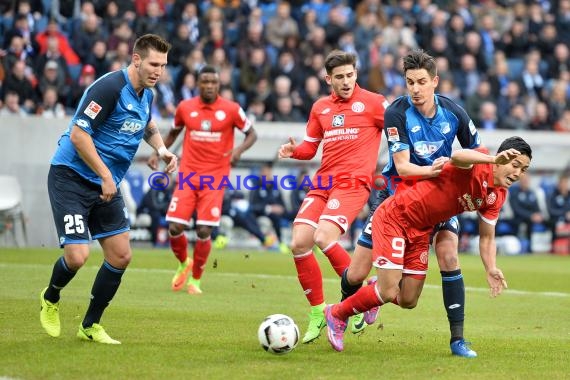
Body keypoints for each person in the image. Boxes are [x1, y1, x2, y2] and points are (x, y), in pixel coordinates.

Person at [324, 137, 533, 352]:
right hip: (396, 217)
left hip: (422, 230)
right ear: (500, 160)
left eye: (523, 169)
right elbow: (457, 156)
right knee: (388, 291)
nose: (518, 173)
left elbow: (487, 237)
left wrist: (491, 268)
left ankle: (373, 291)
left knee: (408, 300)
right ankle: (336, 313)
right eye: (514, 165)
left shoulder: (497, 196)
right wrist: (491, 158)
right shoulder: (480, 161)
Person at [340, 49, 483, 358]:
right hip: (396, 197)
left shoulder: (455, 113)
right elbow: (403, 166)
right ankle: (343, 310)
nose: (415, 90)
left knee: (448, 257)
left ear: (435, 81)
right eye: (409, 83)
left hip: (440, 201)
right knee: (355, 273)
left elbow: (476, 150)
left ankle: (458, 340)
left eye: (421, 82)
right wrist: (437, 169)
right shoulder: (397, 112)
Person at [39, 34, 177, 344]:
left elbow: (146, 124)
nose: (159, 71)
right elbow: (78, 135)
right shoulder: (109, 88)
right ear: (136, 59)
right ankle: (50, 297)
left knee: (121, 255)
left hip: (106, 184)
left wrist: (162, 149)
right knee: (77, 257)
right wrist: (105, 175)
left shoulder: (147, 94)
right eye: (154, 64)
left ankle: (90, 326)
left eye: (164, 66)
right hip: (72, 177)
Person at [278, 50, 388, 343]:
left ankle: (365, 296)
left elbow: (399, 128)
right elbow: (310, 147)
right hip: (323, 183)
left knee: (323, 237)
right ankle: (318, 312)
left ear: (356, 74)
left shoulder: (375, 103)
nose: (346, 81)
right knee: (299, 242)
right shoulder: (321, 108)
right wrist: (294, 151)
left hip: (353, 183)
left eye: (350, 75)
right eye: (339, 77)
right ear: (328, 79)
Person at [148, 65, 257, 295]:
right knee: (175, 226)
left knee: (204, 230)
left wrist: (238, 151)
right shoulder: (185, 108)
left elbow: (252, 134)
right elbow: (173, 133)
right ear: (198, 84)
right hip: (188, 175)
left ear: (219, 85)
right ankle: (183, 263)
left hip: (215, 178)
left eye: (213, 83)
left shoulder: (232, 109)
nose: (209, 86)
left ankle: (195, 281)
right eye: (205, 82)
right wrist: (158, 152)